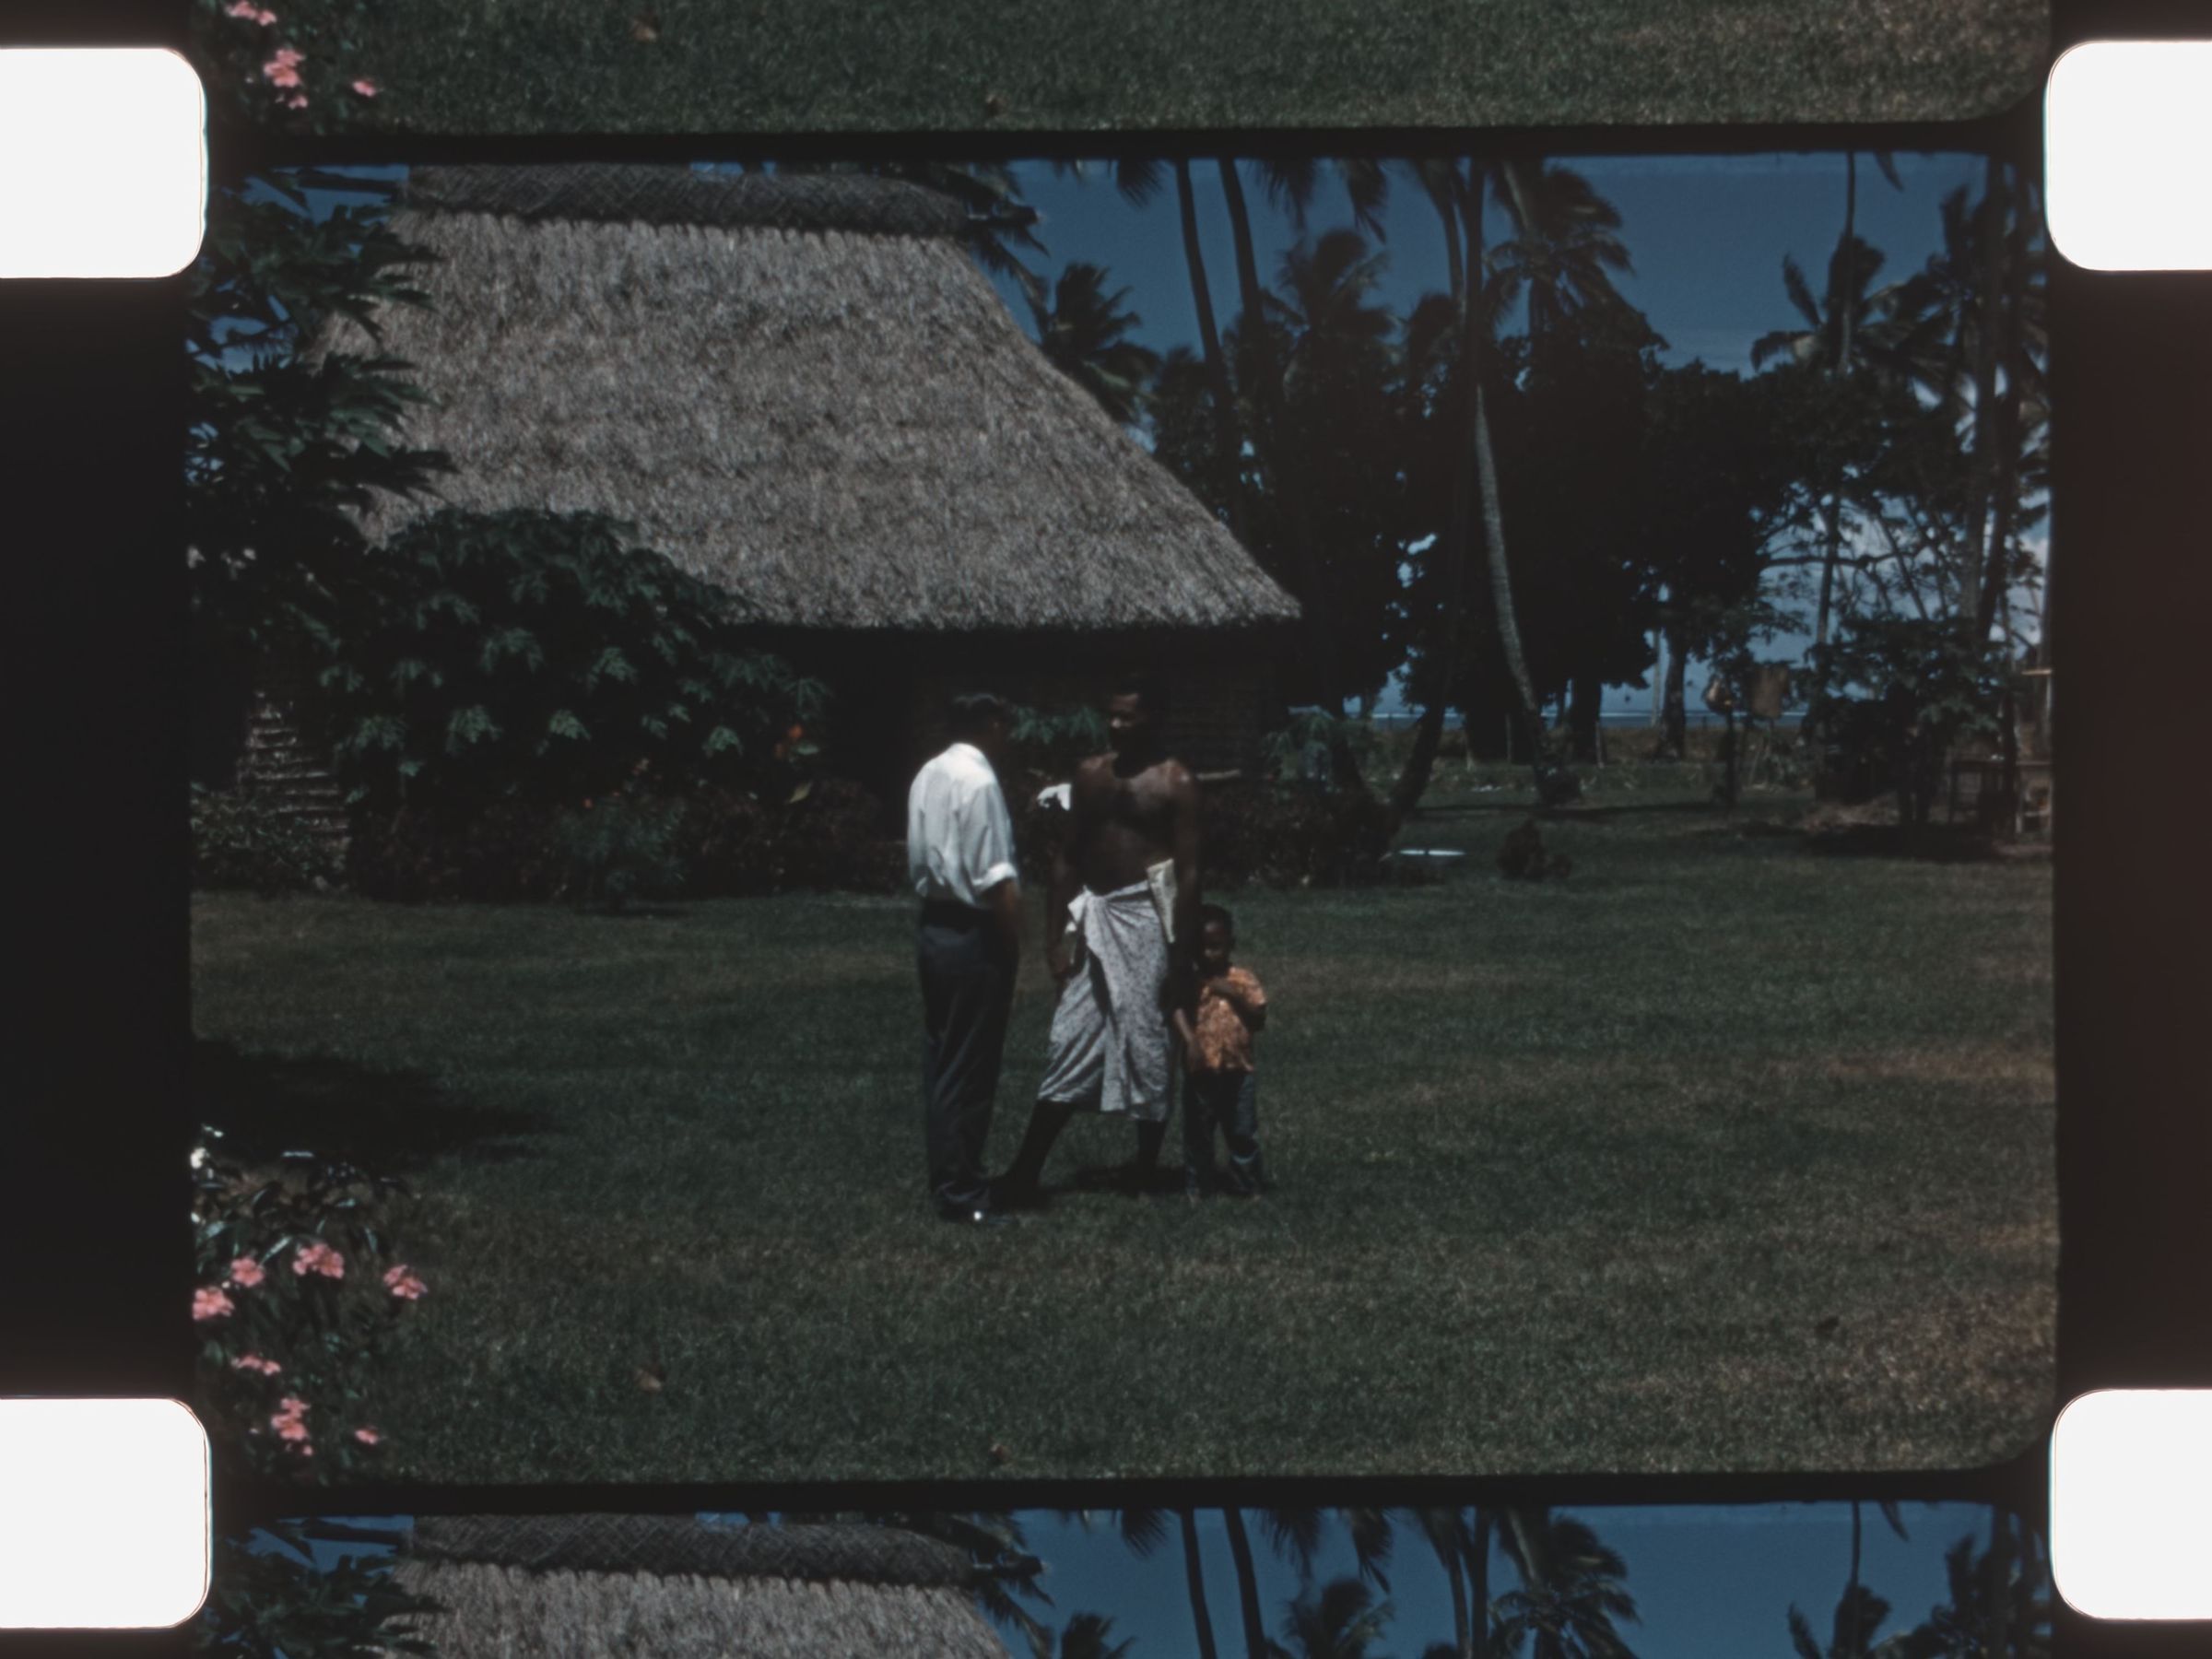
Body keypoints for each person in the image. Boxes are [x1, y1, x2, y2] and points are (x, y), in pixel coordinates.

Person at [998, 672, 1200, 1204]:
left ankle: (1145, 1171)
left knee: (1149, 1040)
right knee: (1071, 1038)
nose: (1116, 724)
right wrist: (1053, 939)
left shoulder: (1176, 781)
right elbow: (1067, 857)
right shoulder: (1090, 775)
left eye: (1127, 716)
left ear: (1153, 718)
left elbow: (1188, 873)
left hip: (1149, 919)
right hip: (1097, 916)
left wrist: (1181, 958)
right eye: (1111, 714)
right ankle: (1025, 1172)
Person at [908, 691, 1024, 1227]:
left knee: (944, 1056)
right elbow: (996, 879)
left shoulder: (928, 773)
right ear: (992, 725)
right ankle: (962, 1191)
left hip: (934, 927)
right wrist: (1014, 943)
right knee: (970, 1064)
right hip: (972, 932)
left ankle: (949, 1176)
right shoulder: (979, 782)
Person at [1173, 904, 1269, 1198]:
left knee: (1242, 1131)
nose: (1208, 954)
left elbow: (1258, 1019)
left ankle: (1247, 1186)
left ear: (1230, 944)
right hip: (1202, 1068)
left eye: (1215, 947)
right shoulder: (1191, 982)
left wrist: (1234, 995)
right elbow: (1175, 1008)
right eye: (1201, 948)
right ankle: (1199, 1189)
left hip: (1238, 1070)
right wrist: (1190, 1041)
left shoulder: (1243, 979)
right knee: (1199, 1132)